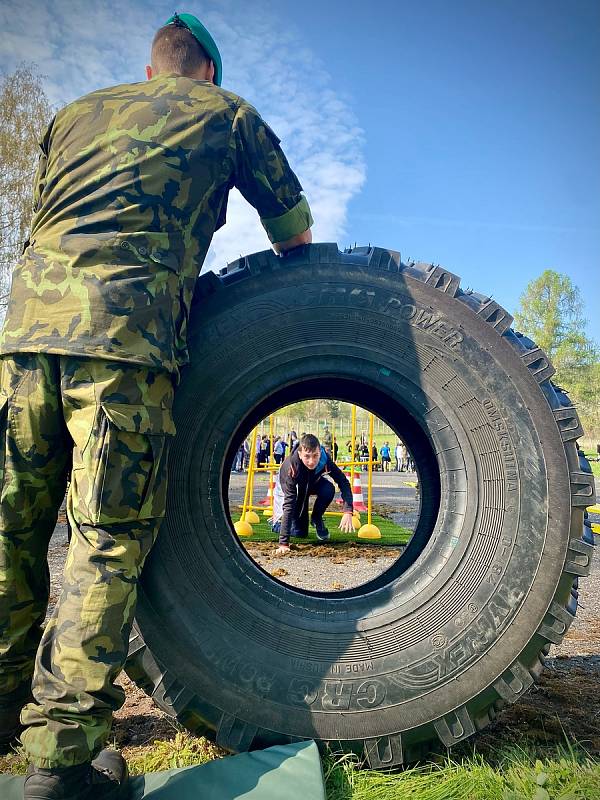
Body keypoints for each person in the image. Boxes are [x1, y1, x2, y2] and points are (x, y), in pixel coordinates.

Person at [0, 12, 312, 800]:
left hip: (22, 338)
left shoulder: (71, 115)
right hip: (122, 349)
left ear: (150, 71)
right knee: (104, 542)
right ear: (205, 70)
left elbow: (45, 220)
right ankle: (60, 764)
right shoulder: (227, 113)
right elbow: (295, 237)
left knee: (11, 530)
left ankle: (4, 715)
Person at [274, 434, 353, 553]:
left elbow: (343, 481)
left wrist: (348, 510)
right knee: (300, 532)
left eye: (315, 456)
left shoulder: (324, 459)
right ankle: (276, 525)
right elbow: (289, 503)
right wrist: (283, 543)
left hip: (311, 482)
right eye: (307, 456)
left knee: (328, 489)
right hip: (295, 488)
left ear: (320, 452)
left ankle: (316, 518)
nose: (311, 461)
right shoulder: (291, 467)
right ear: (300, 454)